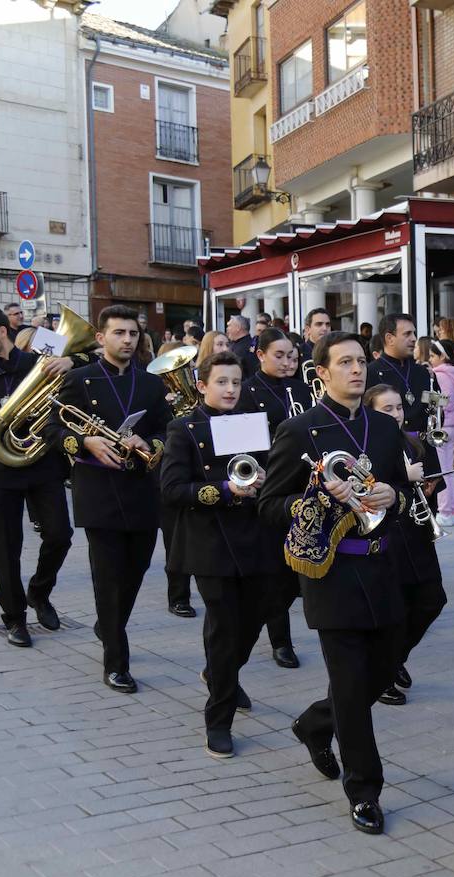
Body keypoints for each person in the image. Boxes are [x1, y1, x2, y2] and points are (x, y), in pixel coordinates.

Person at [258, 331, 410, 836]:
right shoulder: (300, 430)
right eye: (344, 362)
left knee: (383, 670)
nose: (357, 370)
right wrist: (317, 501)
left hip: (383, 566)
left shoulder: (386, 430)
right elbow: (269, 505)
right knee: (349, 684)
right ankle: (364, 789)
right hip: (332, 574)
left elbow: (405, 496)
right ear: (320, 372)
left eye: (361, 361)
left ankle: (315, 724)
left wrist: (396, 495)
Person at [161, 350, 281, 758]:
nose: (231, 389)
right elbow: (173, 490)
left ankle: (220, 673)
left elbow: (269, 473)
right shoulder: (183, 428)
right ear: (202, 386)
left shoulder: (253, 422)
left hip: (256, 535)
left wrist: (266, 481)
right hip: (210, 541)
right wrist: (225, 490)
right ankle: (219, 716)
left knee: (259, 615)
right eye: (222, 382)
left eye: (236, 382)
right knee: (224, 627)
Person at [46, 306, 170, 692]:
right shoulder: (80, 380)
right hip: (98, 491)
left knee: (135, 572)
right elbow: (52, 425)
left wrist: (148, 443)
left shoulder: (151, 384)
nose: (127, 340)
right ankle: (116, 662)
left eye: (133, 334)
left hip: (140, 490)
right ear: (101, 339)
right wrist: (85, 441)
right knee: (108, 580)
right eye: (119, 333)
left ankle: (109, 624)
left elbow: (167, 429)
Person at [0, 307, 74, 648]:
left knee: (60, 535)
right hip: (0, 469)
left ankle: (39, 592)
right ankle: (14, 618)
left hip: (42, 464)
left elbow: (81, 374)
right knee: (7, 549)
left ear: (1, 331)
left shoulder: (35, 364)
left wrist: (71, 362)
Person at [236, 328, 313, 669]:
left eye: (291, 357)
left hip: (304, 485)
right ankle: (281, 640)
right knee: (274, 571)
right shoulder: (249, 390)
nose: (286, 363)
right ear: (261, 355)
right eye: (279, 356)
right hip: (268, 484)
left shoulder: (303, 387)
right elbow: (243, 444)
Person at [366, 384, 447, 705]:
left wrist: (430, 486)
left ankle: (393, 660)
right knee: (395, 610)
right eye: (387, 409)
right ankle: (381, 674)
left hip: (417, 534)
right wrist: (404, 475)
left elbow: (431, 484)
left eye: (399, 407)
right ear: (371, 411)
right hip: (389, 537)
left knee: (432, 600)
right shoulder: (368, 443)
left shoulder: (413, 441)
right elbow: (368, 487)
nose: (397, 414)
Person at [154, 341, 196, 619]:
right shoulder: (157, 398)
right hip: (169, 476)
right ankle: (178, 595)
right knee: (175, 539)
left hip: (198, 474)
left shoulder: (198, 396)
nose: (185, 371)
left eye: (188, 366)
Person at [368, 313, 435, 436]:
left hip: (425, 448)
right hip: (391, 446)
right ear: (389, 338)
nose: (414, 338)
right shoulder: (370, 372)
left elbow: (435, 408)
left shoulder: (423, 372)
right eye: (407, 334)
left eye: (414, 333)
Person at [427, 339, 454, 527]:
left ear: (442, 356)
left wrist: (427, 398)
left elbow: (444, 401)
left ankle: (446, 510)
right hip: (453, 426)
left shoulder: (440, 375)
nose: (430, 359)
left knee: (444, 470)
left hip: (443, 427)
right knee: (449, 469)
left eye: (433, 356)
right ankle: (453, 510)